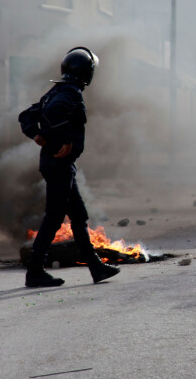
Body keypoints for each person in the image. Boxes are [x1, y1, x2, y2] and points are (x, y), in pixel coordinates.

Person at [19, 47, 120, 288]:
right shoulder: (70, 93)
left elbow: (26, 116)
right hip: (58, 165)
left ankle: (95, 267)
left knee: (78, 217)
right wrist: (64, 138)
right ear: (86, 72)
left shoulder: (55, 91)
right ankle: (35, 271)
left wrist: (36, 134)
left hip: (59, 165)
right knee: (54, 219)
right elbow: (54, 113)